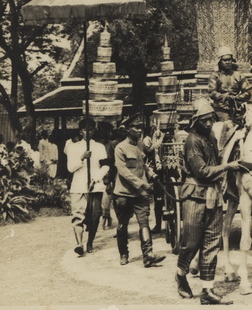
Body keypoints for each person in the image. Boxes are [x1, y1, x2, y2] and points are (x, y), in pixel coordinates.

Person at [175, 99, 241, 305]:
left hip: (213, 196)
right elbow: (202, 171)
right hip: (195, 196)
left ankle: (207, 290)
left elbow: (216, 162)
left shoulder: (211, 138)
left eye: (211, 119)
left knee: (212, 244)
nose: (209, 123)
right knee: (191, 243)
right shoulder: (192, 141)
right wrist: (228, 167)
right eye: (204, 120)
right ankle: (180, 274)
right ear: (196, 122)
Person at [113, 115, 165, 268]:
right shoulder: (120, 148)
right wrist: (143, 184)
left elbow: (142, 164)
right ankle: (123, 254)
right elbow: (123, 172)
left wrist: (151, 174)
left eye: (141, 128)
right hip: (123, 194)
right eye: (136, 127)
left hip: (140, 194)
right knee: (122, 225)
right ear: (128, 129)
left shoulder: (140, 145)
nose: (139, 130)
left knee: (144, 223)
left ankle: (148, 255)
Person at [65, 118, 109, 256]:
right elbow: (70, 168)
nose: (88, 132)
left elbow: (105, 166)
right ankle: (79, 244)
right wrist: (82, 158)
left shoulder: (99, 147)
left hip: (95, 186)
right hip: (78, 186)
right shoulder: (73, 147)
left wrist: (96, 178)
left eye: (91, 129)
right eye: (85, 130)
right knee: (78, 215)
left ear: (94, 131)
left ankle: (90, 241)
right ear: (80, 131)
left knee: (95, 215)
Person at [208, 46, 251, 149]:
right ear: (220, 61)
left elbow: (247, 93)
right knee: (226, 132)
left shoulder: (239, 75)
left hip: (237, 110)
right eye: (225, 60)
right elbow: (212, 93)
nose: (227, 62)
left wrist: (237, 98)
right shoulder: (215, 76)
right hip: (221, 109)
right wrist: (225, 97)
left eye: (229, 60)